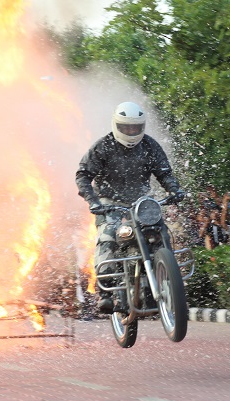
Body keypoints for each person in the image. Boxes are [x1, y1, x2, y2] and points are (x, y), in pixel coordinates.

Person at [75, 101, 185, 313]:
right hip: (108, 203)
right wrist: (93, 201)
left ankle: (167, 276)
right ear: (117, 125)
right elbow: (83, 175)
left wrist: (174, 190)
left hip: (141, 202)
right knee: (107, 237)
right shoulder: (102, 147)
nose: (132, 131)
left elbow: (164, 172)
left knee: (159, 230)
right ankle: (105, 292)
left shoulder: (150, 145)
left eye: (136, 127)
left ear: (142, 126)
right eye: (127, 127)